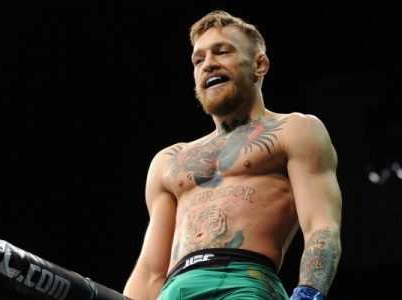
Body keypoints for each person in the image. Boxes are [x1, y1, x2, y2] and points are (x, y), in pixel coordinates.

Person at [123, 10, 342, 300]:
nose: (208, 64)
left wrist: (309, 293)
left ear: (259, 64)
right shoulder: (169, 161)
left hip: (244, 282)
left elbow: (321, 225)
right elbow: (151, 270)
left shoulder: (295, 130)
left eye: (221, 52)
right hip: (175, 289)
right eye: (198, 60)